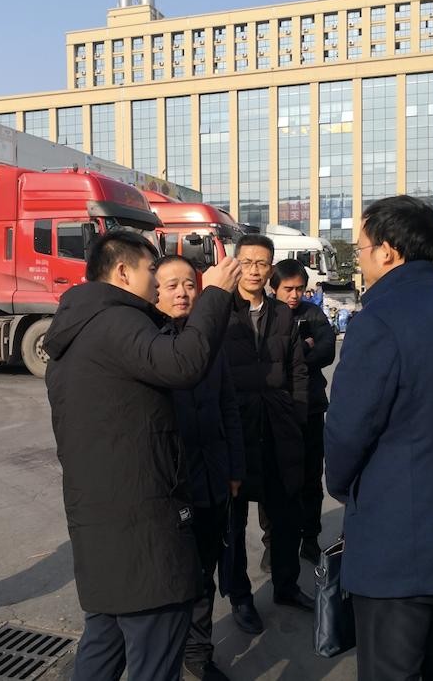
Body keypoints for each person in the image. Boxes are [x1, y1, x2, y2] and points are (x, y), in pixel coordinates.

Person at [43, 231, 241, 681]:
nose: (157, 281)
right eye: (152, 271)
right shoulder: (115, 321)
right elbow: (182, 364)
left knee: (102, 647)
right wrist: (214, 294)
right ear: (122, 272)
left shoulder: (80, 329)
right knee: (153, 659)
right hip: (143, 537)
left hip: (102, 530)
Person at [324, 195, 433, 681]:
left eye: (361, 248)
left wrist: (341, 485)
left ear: (388, 252)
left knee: (391, 669)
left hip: (396, 540)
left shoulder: (377, 319)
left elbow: (347, 430)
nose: (360, 259)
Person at [153, 256, 245, 681]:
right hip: (171, 485)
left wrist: (234, 468)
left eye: (190, 284)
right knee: (173, 578)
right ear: (153, 291)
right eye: (171, 285)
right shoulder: (147, 344)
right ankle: (165, 654)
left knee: (205, 574)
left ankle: (198, 654)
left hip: (212, 477)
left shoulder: (211, 341)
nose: (182, 293)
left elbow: (229, 407)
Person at [224, 234, 312, 635]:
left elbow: (297, 371)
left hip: (278, 425)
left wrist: (296, 416)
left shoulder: (281, 313)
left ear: (271, 267)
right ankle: (240, 597)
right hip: (237, 426)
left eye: (262, 263)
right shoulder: (222, 310)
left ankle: (286, 585)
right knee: (233, 521)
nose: (255, 270)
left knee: (285, 514)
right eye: (248, 262)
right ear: (236, 264)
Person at [270, 259, 336, 563]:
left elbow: (327, 351)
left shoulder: (313, 314)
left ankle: (309, 538)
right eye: (288, 289)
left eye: (299, 288)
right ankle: (273, 541)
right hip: (275, 410)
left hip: (311, 408)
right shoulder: (266, 315)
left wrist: (292, 358)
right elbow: (265, 361)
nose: (294, 295)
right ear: (274, 288)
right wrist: (303, 347)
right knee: (274, 480)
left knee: (311, 478)